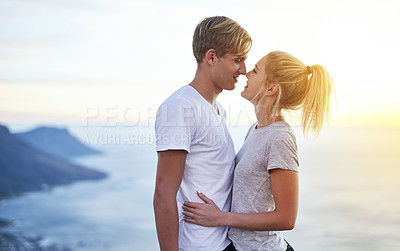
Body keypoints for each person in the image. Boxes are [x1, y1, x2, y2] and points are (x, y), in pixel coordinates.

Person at [182, 51, 334, 251]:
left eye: (255, 70)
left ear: (271, 88)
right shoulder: (256, 129)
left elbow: (286, 218)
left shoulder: (280, 139)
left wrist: (220, 217)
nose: (246, 73)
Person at [153, 16, 252, 251]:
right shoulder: (180, 107)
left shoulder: (218, 110)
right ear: (211, 57)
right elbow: (163, 194)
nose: (244, 70)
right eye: (238, 60)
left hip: (224, 242)